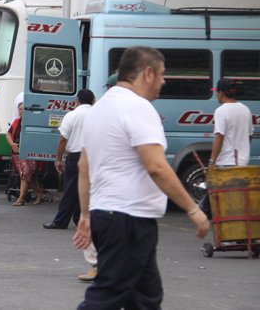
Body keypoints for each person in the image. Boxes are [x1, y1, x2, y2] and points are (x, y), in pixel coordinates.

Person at [73, 46, 209, 309]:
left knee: (145, 297)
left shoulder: (99, 110)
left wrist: (87, 215)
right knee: (107, 295)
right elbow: (157, 167)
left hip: (109, 215)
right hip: (129, 218)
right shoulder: (138, 108)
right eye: (162, 74)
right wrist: (193, 208)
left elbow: (83, 167)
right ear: (147, 73)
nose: (164, 81)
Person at [43, 89, 95, 230]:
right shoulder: (98, 114)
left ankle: (61, 221)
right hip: (93, 156)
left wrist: (58, 158)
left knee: (70, 189)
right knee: (87, 188)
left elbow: (63, 139)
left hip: (76, 155)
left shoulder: (72, 115)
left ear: (77, 100)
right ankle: (80, 218)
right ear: (93, 100)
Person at [6, 101, 45, 206]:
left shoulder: (33, 122)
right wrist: (12, 144)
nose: (21, 111)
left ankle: (21, 199)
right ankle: (40, 194)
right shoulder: (16, 122)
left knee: (25, 175)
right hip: (17, 153)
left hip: (29, 153)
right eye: (20, 109)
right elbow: (8, 134)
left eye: (23, 108)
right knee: (29, 177)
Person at [208, 78, 253, 167]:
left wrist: (212, 162)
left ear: (221, 93)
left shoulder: (221, 111)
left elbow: (219, 138)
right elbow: (250, 135)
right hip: (243, 162)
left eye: (217, 92)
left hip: (226, 162)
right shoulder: (246, 109)